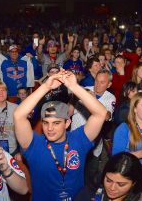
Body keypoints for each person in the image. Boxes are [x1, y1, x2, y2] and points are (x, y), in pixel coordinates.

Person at [14, 69, 108, 200]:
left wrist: (74, 86)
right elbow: (18, 115)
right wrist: (46, 86)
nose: (50, 128)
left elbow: (101, 113)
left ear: (67, 123)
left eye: (56, 123)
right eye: (46, 123)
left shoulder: (78, 139)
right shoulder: (34, 144)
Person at [75, 152, 142, 201]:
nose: (112, 188)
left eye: (121, 184)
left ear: (134, 183)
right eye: (108, 180)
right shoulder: (91, 192)